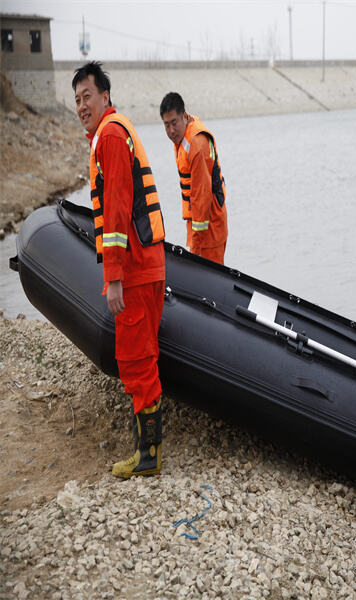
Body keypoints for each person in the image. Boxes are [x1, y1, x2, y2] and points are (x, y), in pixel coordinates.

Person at [72, 61, 166, 479]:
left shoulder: (110, 135)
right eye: (76, 99)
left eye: (87, 96)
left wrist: (113, 278)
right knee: (141, 356)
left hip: (135, 269)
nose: (81, 105)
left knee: (135, 358)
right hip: (147, 263)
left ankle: (149, 455)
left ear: (105, 96)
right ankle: (148, 449)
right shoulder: (116, 131)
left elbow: (116, 210)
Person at [159, 92, 228, 263]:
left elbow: (201, 197)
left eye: (174, 123)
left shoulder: (196, 145)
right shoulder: (186, 133)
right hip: (201, 227)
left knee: (209, 283)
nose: (171, 130)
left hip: (209, 230)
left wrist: (195, 249)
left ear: (184, 116)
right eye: (166, 125)